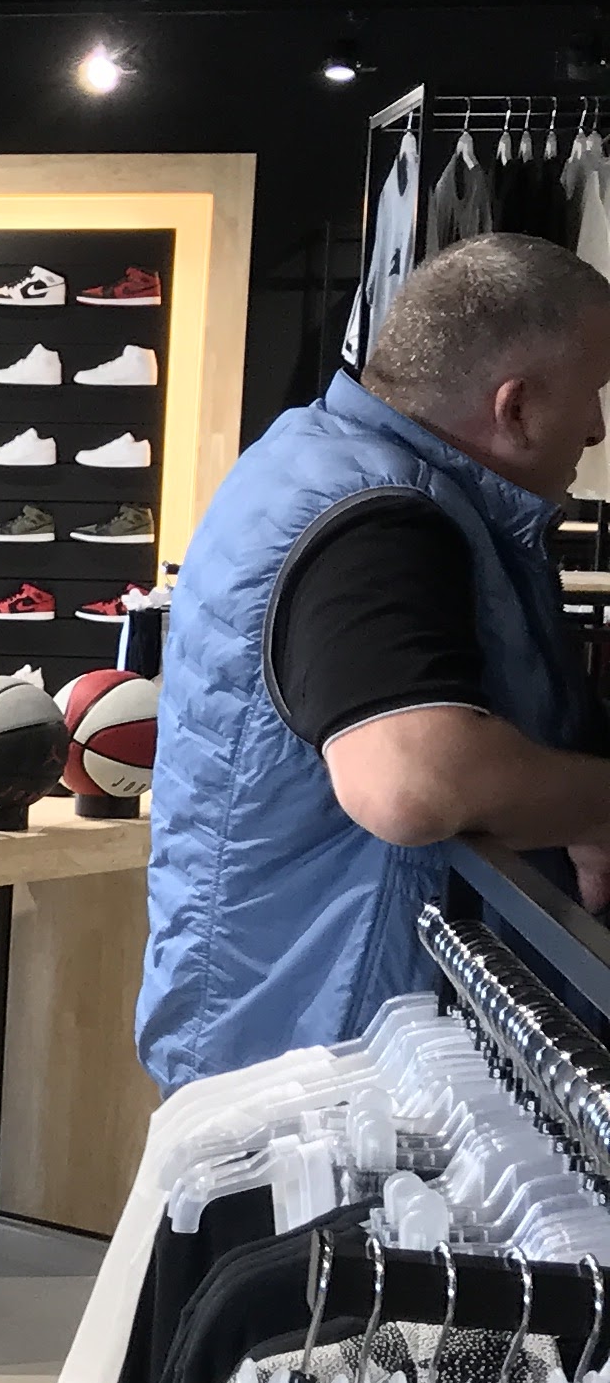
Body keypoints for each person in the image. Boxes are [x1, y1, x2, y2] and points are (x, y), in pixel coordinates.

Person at [139, 232, 610, 1087]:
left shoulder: (318, 462)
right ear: (515, 408)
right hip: (330, 1068)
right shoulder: (378, 516)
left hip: (291, 1030)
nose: (598, 427)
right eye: (594, 394)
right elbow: (409, 781)